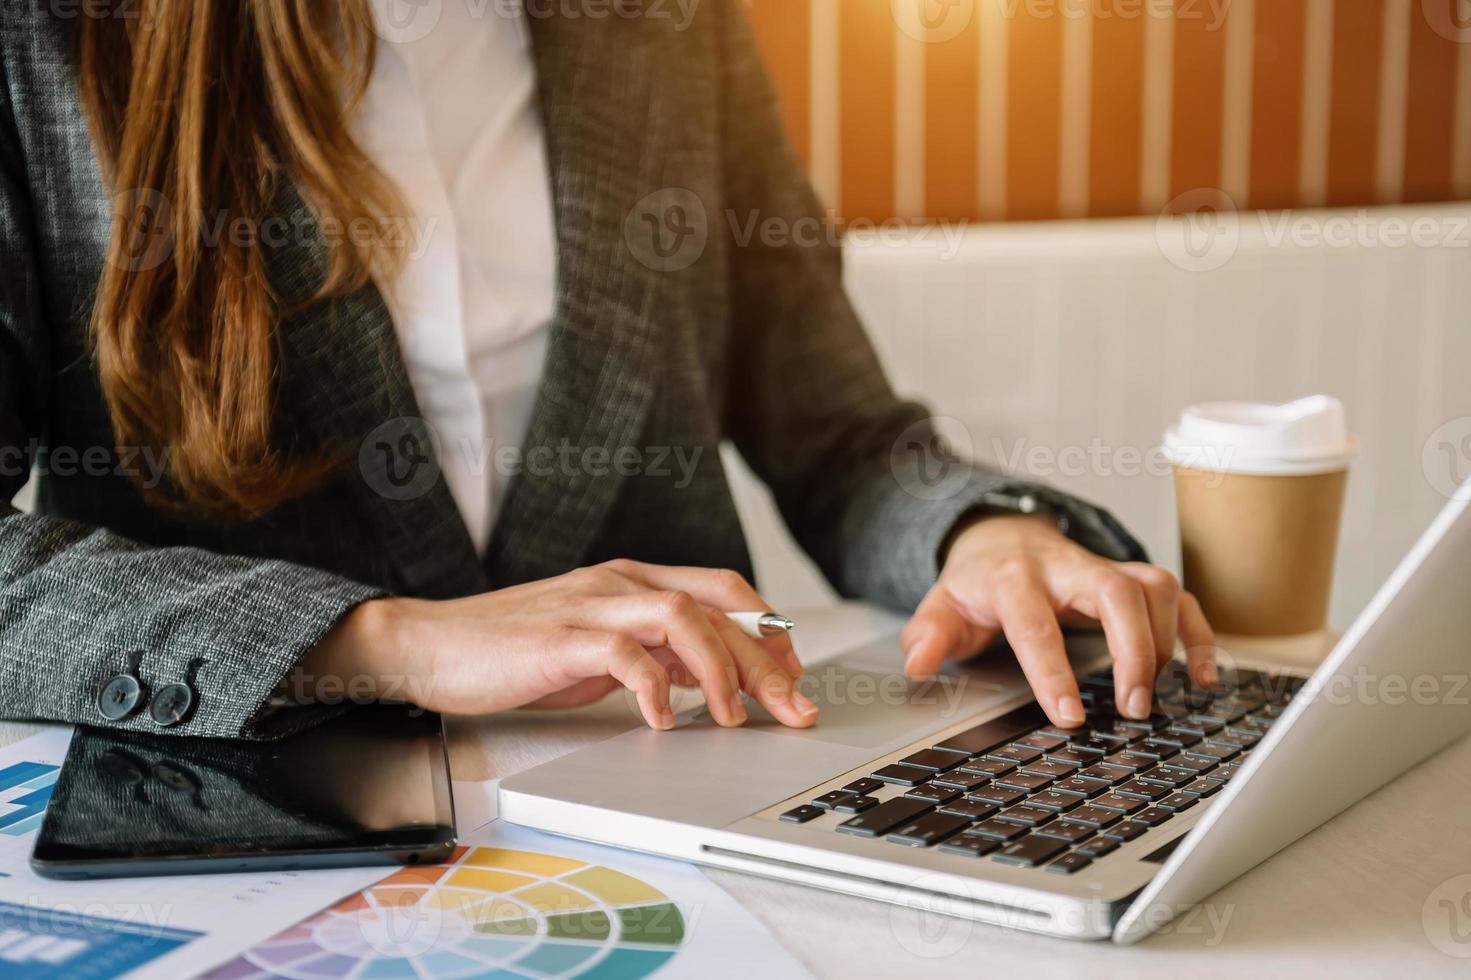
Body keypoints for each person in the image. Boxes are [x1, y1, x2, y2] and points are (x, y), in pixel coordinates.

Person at [0, 0, 1213, 741]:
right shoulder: (41, 41)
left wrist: (980, 535)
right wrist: (394, 639)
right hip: (260, 844)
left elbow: (839, 439)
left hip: (680, 791)